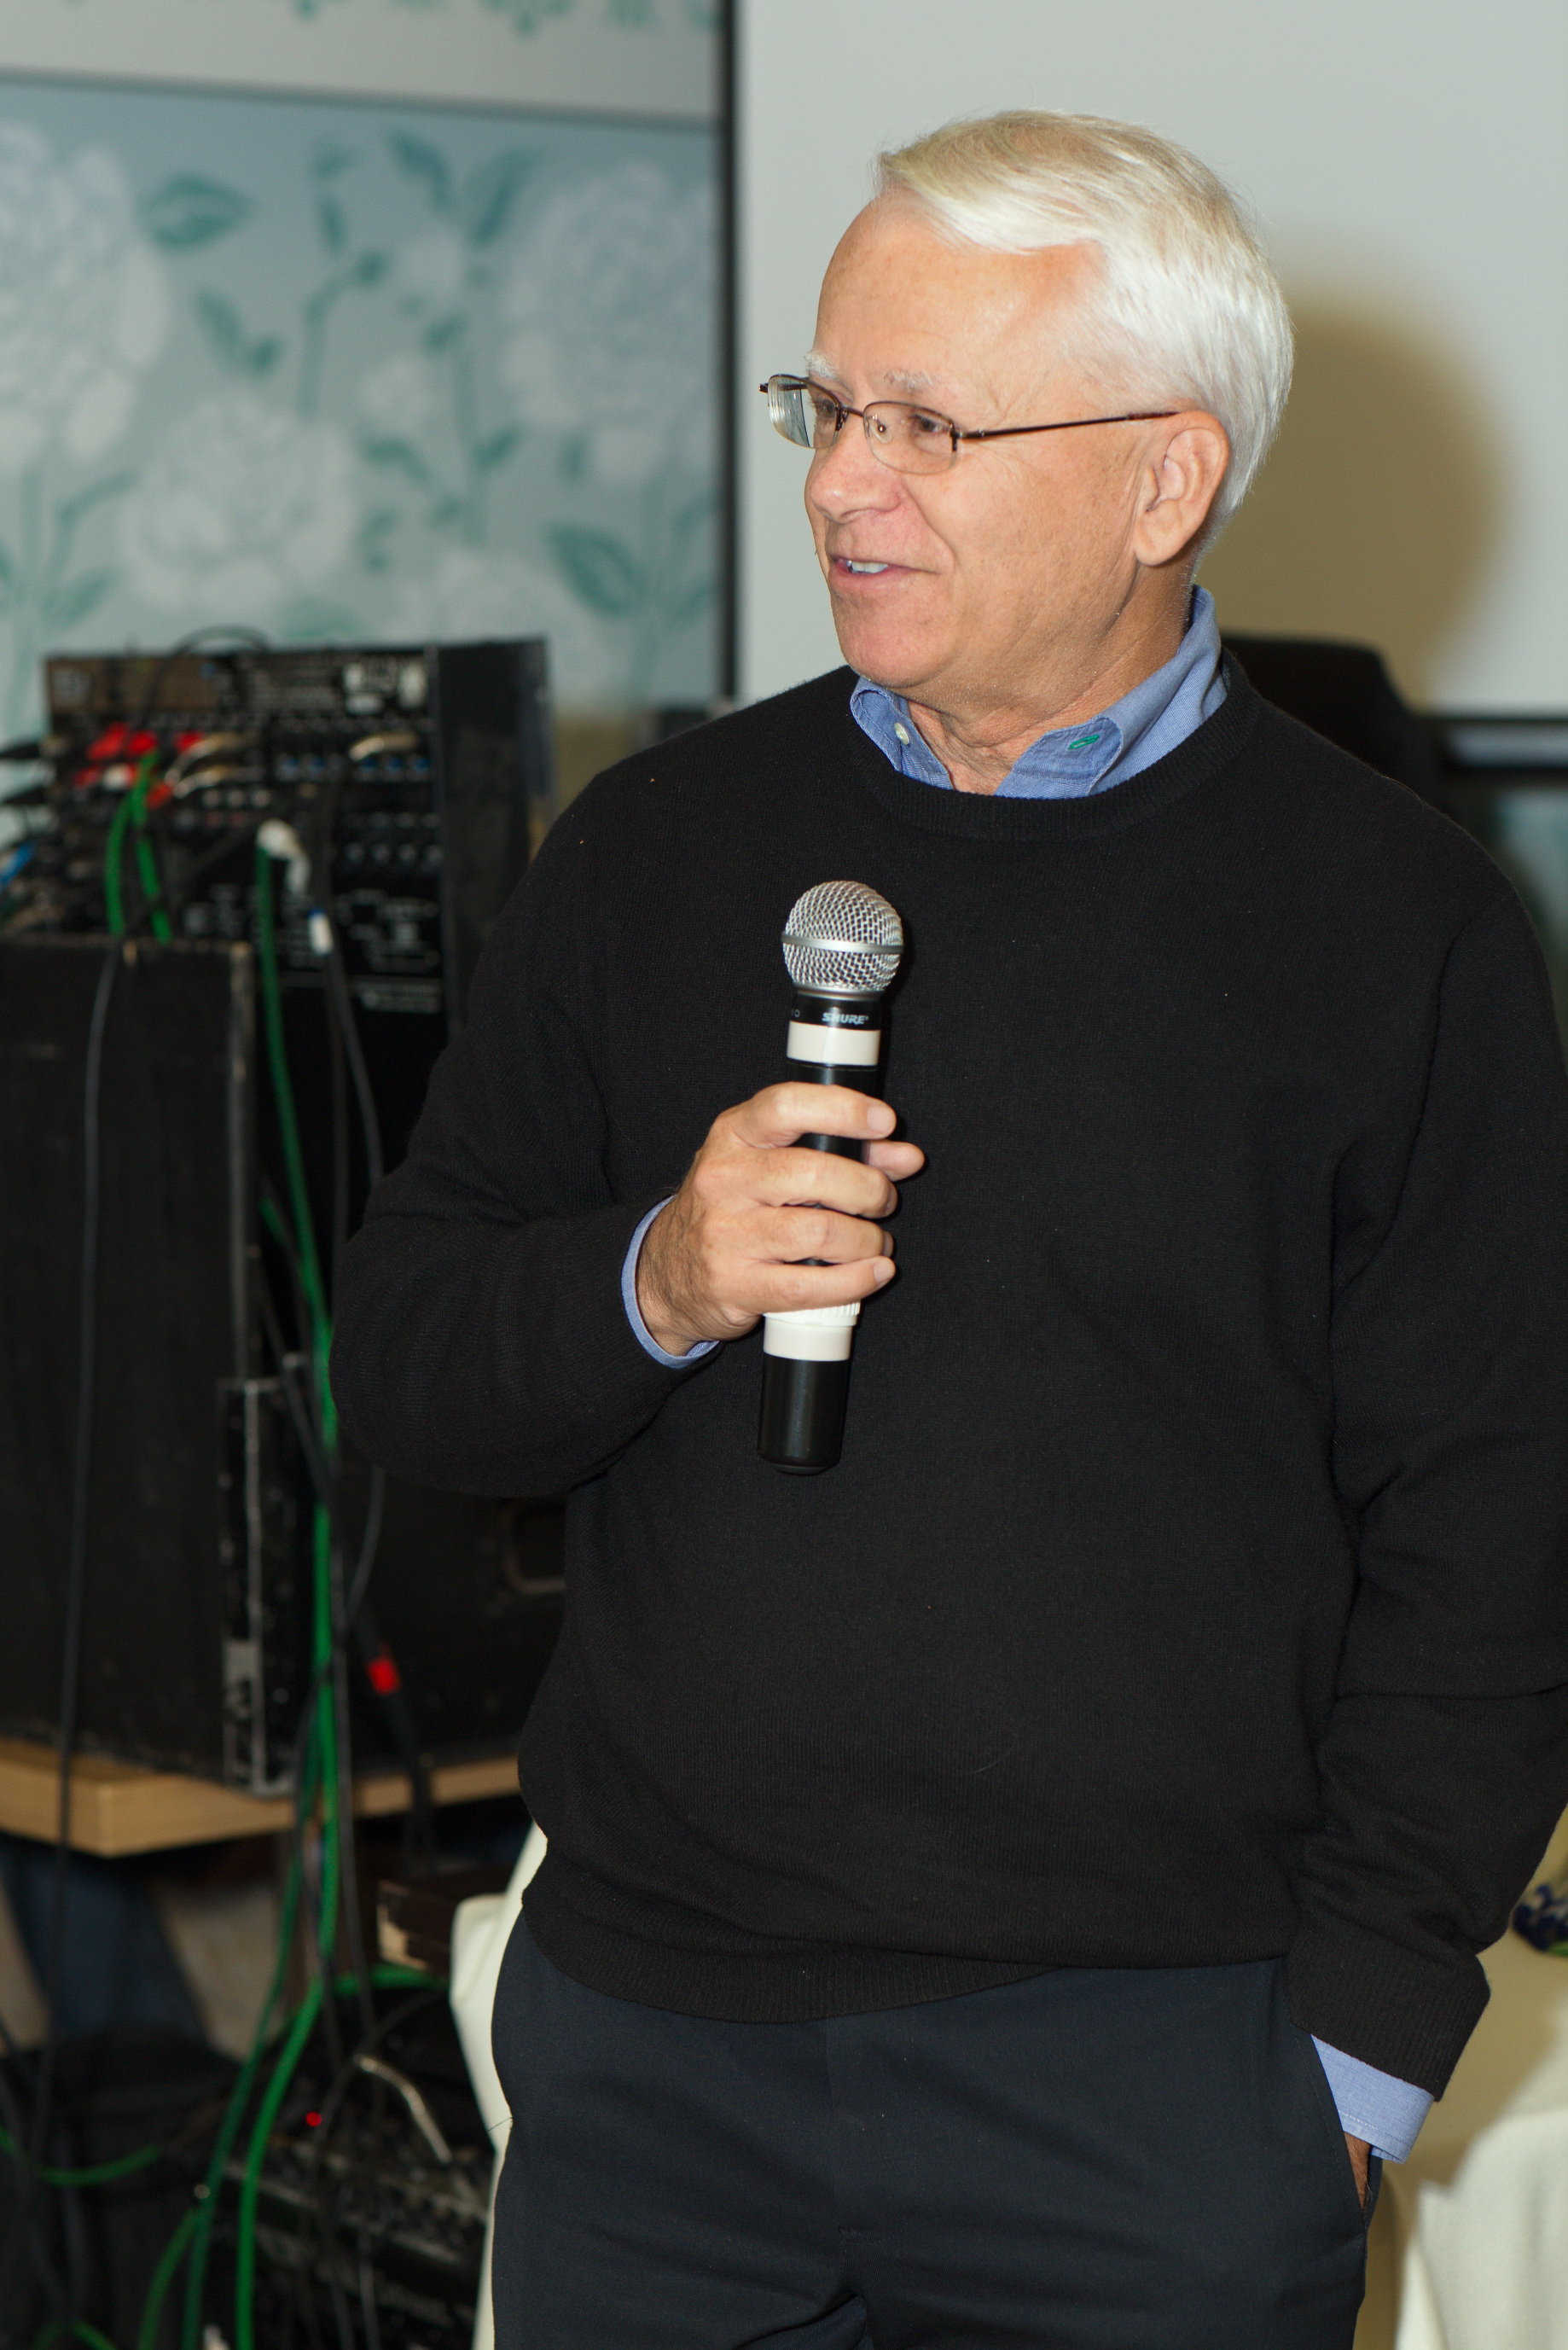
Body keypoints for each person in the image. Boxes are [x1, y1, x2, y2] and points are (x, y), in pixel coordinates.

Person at [332, 111, 1568, 2347]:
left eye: (925, 423)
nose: (839, 483)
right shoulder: (653, 847)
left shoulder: (1404, 935)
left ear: (1167, 480)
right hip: (657, 2062)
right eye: (826, 407)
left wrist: (1352, 2068)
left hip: (1156, 2097)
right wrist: (658, 1277)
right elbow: (406, 1347)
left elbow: (1495, 1541)